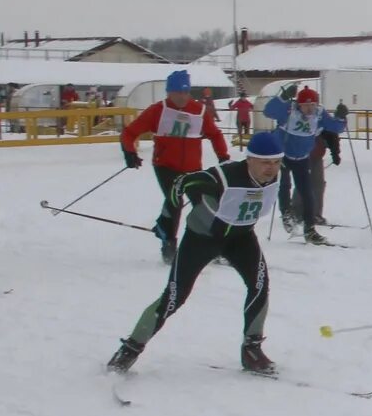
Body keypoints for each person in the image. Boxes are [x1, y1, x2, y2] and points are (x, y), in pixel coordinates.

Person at [106, 130, 286, 377]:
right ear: (250, 159)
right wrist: (168, 223)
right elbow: (180, 185)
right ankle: (129, 349)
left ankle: (251, 350)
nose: (271, 168)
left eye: (276, 162)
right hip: (202, 239)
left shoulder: (276, 176)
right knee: (174, 297)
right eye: (265, 162)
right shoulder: (223, 176)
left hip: (240, 237)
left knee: (260, 285)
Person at [120, 69, 231, 264]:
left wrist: (223, 156)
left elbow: (215, 134)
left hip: (193, 168)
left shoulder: (199, 111)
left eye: (186, 92)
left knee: (206, 203)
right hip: (166, 166)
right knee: (175, 201)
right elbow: (129, 133)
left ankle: (213, 245)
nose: (182, 97)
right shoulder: (157, 111)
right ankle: (169, 242)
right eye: (178, 92)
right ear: (168, 92)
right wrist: (129, 152)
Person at [263, 87, 333, 245]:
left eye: (313, 105)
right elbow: (268, 111)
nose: (309, 108)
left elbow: (334, 126)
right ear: (299, 105)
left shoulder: (318, 114)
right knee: (284, 184)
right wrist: (282, 98)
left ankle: (310, 230)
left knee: (307, 192)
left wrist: (342, 118)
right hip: (282, 154)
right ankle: (286, 214)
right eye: (305, 105)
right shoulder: (289, 111)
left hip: (301, 157)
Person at [307, 102, 348, 226]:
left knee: (318, 184)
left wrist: (335, 153)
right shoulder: (297, 115)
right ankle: (299, 213)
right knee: (304, 184)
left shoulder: (321, 116)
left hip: (317, 155)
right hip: (301, 155)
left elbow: (333, 133)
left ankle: (315, 214)